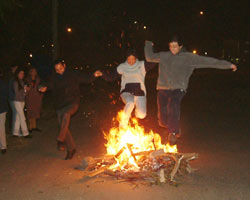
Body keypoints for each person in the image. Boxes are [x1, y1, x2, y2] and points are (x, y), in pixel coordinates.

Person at [144, 35, 237, 145]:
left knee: (173, 104)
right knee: (163, 119)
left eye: (175, 47)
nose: (173, 49)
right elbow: (150, 57)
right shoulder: (164, 56)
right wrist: (148, 44)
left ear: (180, 46)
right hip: (163, 88)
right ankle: (174, 128)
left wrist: (228, 65)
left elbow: (209, 61)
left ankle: (173, 133)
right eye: (170, 47)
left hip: (179, 89)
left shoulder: (189, 57)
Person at [39, 59, 96, 160]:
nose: (59, 71)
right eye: (57, 70)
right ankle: (71, 149)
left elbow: (85, 78)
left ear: (64, 66)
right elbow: (48, 83)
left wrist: (94, 75)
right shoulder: (54, 76)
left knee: (66, 115)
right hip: (59, 105)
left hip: (72, 102)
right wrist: (44, 87)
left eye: (60, 69)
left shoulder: (72, 74)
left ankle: (60, 139)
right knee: (64, 127)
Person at [94, 49, 157, 128]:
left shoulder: (142, 65)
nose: (131, 61)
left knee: (142, 115)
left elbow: (154, 61)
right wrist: (102, 74)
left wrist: (159, 56)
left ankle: (133, 112)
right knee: (130, 102)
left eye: (133, 59)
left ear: (136, 58)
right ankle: (122, 126)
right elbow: (112, 76)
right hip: (126, 92)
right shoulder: (122, 67)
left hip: (139, 92)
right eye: (129, 59)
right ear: (126, 59)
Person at [9, 67, 31, 138]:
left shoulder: (23, 82)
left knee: (18, 116)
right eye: (20, 73)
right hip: (17, 101)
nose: (22, 75)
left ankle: (15, 133)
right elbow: (17, 93)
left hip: (22, 101)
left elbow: (24, 93)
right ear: (17, 74)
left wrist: (26, 91)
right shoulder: (15, 82)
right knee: (22, 116)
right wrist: (23, 93)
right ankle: (26, 133)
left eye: (23, 73)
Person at [25, 67, 43, 133]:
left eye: (35, 71)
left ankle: (34, 126)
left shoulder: (38, 79)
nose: (34, 72)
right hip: (29, 97)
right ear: (30, 72)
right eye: (32, 71)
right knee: (30, 111)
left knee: (35, 111)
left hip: (36, 97)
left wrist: (41, 95)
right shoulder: (27, 79)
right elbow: (25, 88)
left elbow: (41, 87)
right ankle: (30, 127)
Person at [0, 69, 8, 154]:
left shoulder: (2, 83)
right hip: (2, 107)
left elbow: (3, 96)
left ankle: (3, 146)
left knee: (1, 128)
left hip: (1, 109)